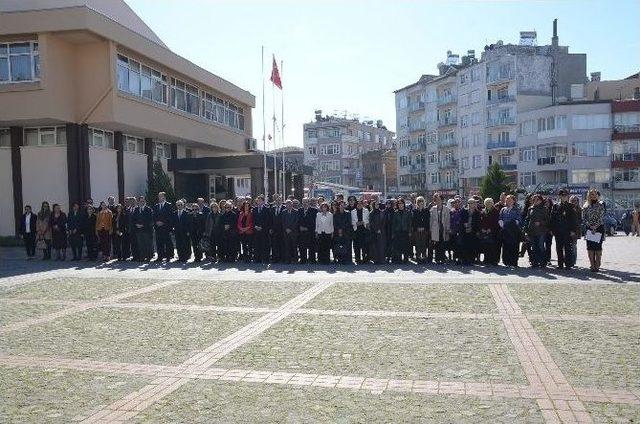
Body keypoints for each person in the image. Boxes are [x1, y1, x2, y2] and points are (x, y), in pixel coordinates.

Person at [551, 189, 578, 270]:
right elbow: (552, 218)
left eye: (565, 195)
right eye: (562, 195)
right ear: (560, 196)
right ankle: (560, 264)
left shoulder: (571, 206)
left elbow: (574, 220)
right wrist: (552, 229)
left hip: (567, 231)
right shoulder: (556, 206)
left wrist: (573, 230)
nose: (564, 197)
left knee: (567, 248)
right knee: (559, 248)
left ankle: (568, 264)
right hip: (558, 230)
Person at [582, 188, 605, 272]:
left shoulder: (601, 204)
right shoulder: (585, 205)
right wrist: (590, 226)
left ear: (597, 195)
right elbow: (584, 218)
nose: (593, 195)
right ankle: (592, 265)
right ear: (589, 195)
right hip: (589, 228)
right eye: (591, 194)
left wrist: (595, 226)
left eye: (595, 194)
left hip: (599, 228)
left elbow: (601, 217)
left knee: (598, 248)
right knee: (590, 248)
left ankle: (598, 264)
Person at [526, 194, 549, 268]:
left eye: (537, 200)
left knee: (541, 246)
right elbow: (527, 220)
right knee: (534, 247)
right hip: (531, 231)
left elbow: (548, 221)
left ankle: (543, 262)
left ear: (541, 200)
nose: (535, 201)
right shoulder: (530, 209)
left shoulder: (544, 209)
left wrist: (540, 222)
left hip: (541, 231)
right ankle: (535, 262)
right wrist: (525, 230)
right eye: (533, 200)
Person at [499, 195, 521, 267]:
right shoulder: (503, 209)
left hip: (514, 231)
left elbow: (518, 220)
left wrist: (511, 224)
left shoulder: (517, 209)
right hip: (505, 231)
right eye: (507, 199)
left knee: (514, 247)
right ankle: (506, 262)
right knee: (505, 247)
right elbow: (500, 218)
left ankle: (513, 262)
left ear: (513, 201)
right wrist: (502, 224)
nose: (508, 201)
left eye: (509, 199)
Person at [457, 198, 481, 265]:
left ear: (474, 204)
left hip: (473, 231)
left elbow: (478, 223)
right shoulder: (464, 211)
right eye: (469, 203)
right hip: (464, 231)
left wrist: (473, 228)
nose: (470, 205)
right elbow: (460, 220)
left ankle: (471, 260)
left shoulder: (477, 212)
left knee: (472, 246)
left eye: (472, 203)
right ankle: (464, 260)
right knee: (464, 246)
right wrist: (464, 224)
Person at [429, 193, 450, 264]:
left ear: (442, 200)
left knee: (443, 244)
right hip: (435, 229)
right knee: (437, 244)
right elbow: (431, 220)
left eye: (439, 200)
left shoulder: (446, 209)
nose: (438, 201)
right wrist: (430, 229)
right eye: (436, 200)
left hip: (443, 228)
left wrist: (447, 228)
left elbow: (448, 220)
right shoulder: (433, 209)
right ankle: (437, 259)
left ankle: (443, 258)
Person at [479, 198, 500, 266]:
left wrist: (490, 229)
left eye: (490, 202)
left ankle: (493, 261)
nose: (488, 204)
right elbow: (481, 221)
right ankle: (486, 260)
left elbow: (496, 222)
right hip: (484, 231)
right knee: (485, 246)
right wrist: (482, 228)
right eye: (487, 203)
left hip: (493, 231)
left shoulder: (496, 211)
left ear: (492, 203)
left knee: (492, 246)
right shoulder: (482, 211)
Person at [153, 192, 174, 261]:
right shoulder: (156, 206)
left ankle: (168, 257)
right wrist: (156, 222)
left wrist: (163, 222)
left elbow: (170, 216)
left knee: (167, 243)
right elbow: (154, 216)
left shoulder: (169, 205)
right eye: (158, 196)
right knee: (159, 243)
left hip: (166, 227)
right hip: (158, 228)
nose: (159, 198)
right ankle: (160, 257)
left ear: (164, 197)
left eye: (161, 196)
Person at [133, 196, 154, 262]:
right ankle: (142, 257)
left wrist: (143, 225)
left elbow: (150, 220)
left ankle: (148, 257)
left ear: (145, 201)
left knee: (147, 244)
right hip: (138, 230)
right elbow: (133, 219)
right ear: (138, 202)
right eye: (140, 201)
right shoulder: (136, 209)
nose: (142, 202)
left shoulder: (148, 209)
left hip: (146, 230)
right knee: (140, 244)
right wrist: (136, 224)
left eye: (143, 201)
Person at [252, 195, 272, 263]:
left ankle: (265, 258)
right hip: (256, 229)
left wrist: (262, 227)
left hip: (264, 230)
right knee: (257, 244)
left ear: (263, 201)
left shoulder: (267, 209)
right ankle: (258, 258)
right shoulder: (254, 209)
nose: (259, 202)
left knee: (265, 244)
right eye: (258, 200)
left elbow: (268, 220)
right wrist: (255, 226)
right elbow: (253, 219)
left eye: (260, 200)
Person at [392, 199, 412, 264]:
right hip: (398, 231)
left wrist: (409, 231)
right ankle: (399, 259)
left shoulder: (407, 212)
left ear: (404, 204)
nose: (400, 204)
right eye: (399, 203)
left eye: (401, 203)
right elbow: (393, 224)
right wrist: (393, 233)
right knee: (399, 246)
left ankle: (406, 259)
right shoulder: (395, 212)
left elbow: (409, 223)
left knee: (405, 246)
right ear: (397, 204)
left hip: (405, 231)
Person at [298, 198, 317, 264]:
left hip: (310, 232)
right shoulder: (299, 210)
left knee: (311, 246)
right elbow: (298, 221)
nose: (305, 203)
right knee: (302, 246)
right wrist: (300, 227)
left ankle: (312, 259)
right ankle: (303, 259)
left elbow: (314, 222)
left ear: (309, 203)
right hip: (301, 232)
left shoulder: (314, 210)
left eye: (306, 202)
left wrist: (307, 228)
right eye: (303, 202)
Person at [368, 198, 387, 265]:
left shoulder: (381, 212)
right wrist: (377, 229)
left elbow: (384, 221)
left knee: (381, 246)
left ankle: (382, 259)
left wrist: (381, 229)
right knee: (374, 246)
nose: (377, 206)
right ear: (373, 205)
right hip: (374, 232)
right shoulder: (371, 213)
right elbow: (371, 223)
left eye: (378, 204)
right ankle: (376, 259)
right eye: (376, 204)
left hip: (381, 232)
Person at [351, 199, 370, 263]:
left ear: (362, 204)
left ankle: (364, 258)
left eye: (361, 204)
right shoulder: (353, 211)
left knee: (364, 245)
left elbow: (368, 219)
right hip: (356, 230)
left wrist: (363, 222)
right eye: (358, 204)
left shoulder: (366, 210)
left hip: (364, 229)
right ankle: (357, 258)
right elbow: (352, 220)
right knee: (356, 246)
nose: (359, 205)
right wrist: (356, 223)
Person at [411, 196, 430, 263]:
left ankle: (424, 256)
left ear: (423, 202)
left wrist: (424, 227)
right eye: (419, 201)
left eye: (422, 201)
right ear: (417, 203)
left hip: (424, 230)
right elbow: (413, 221)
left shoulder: (426, 211)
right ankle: (418, 257)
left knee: (424, 244)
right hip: (417, 230)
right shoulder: (414, 211)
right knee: (417, 244)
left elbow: (427, 221)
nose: (420, 203)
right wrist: (417, 228)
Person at [281, 200, 299, 264]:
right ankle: (287, 260)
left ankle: (295, 259)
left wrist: (291, 229)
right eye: (287, 204)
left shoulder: (296, 212)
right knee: (287, 246)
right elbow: (282, 222)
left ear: (292, 205)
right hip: (286, 232)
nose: (288, 205)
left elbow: (296, 221)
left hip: (294, 232)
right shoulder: (283, 212)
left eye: (289, 204)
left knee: (294, 246)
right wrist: (286, 229)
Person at [270, 194, 285, 263]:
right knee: (274, 245)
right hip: (274, 230)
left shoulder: (284, 208)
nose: (278, 202)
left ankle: (282, 258)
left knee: (282, 244)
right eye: (277, 201)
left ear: (281, 201)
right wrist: (270, 228)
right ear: (275, 201)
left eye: (279, 200)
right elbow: (270, 219)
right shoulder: (272, 208)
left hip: (282, 230)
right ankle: (275, 258)